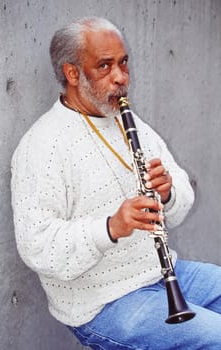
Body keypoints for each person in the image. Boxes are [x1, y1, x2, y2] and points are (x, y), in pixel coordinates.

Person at [11, 17, 221, 349]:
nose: (121, 78)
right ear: (73, 74)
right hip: (102, 303)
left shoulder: (128, 121)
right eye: (105, 67)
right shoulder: (43, 145)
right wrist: (110, 227)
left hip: (160, 275)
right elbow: (36, 245)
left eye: (123, 63)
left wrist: (167, 194)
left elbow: (180, 196)